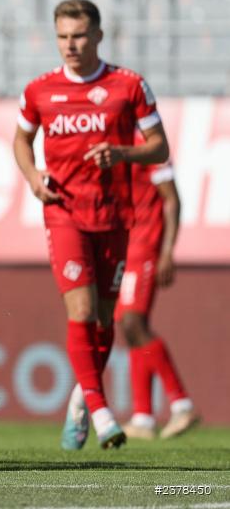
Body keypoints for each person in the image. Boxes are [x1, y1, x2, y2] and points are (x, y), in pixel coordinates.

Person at [13, 0, 169, 450]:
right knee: (80, 312)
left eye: (79, 36)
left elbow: (159, 148)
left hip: (115, 214)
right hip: (64, 212)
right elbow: (21, 141)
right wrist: (32, 176)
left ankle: (82, 398)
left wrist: (122, 153)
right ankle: (102, 413)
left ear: (98, 35)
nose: (70, 45)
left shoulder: (129, 85)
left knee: (104, 321)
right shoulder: (39, 90)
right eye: (62, 37)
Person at [116, 139, 198, 439]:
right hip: (127, 246)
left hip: (146, 246)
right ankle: (143, 418)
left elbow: (172, 199)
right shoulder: (113, 140)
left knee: (132, 322)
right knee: (131, 327)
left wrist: (167, 252)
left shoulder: (148, 145)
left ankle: (181, 403)